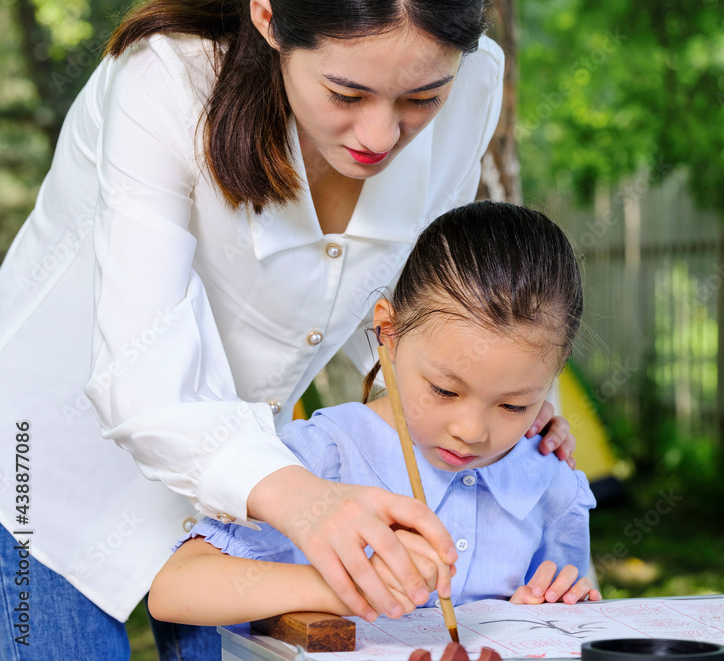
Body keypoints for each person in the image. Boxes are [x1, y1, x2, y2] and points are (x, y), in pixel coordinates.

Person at [0, 0, 576, 659]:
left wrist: (514, 401)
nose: (379, 135)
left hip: (243, 486)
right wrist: (309, 503)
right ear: (269, 24)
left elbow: (437, 299)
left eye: (420, 99)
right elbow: (142, 373)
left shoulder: (472, 90)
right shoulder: (168, 83)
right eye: (345, 92)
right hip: (44, 468)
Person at [148, 201, 600, 626]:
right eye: (444, 390)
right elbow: (174, 589)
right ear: (388, 331)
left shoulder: (553, 483)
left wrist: (542, 612)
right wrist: (344, 588)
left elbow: (562, 613)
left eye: (512, 405)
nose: (470, 431)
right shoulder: (328, 456)